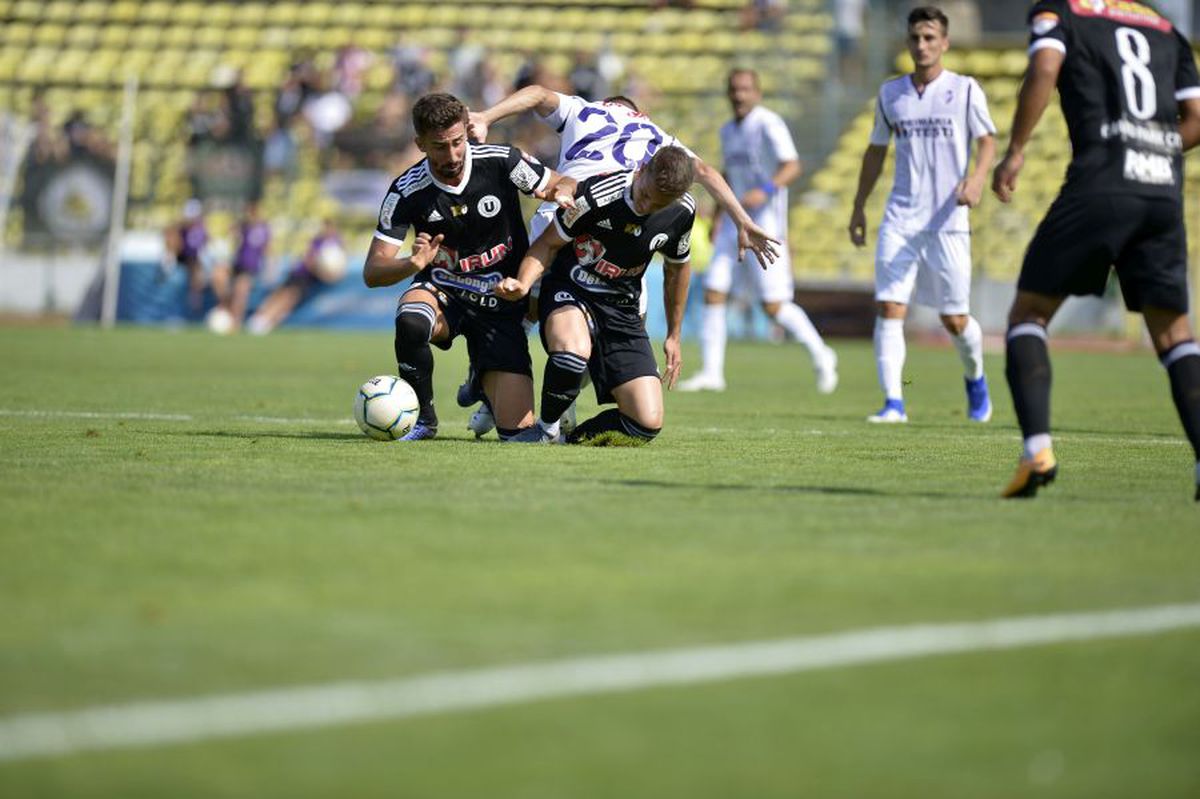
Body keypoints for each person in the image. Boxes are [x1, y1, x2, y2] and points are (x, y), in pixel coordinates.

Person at [462, 83, 784, 436]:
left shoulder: (584, 110)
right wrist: (742, 219)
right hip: (580, 217)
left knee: (526, 313)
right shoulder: (657, 137)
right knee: (573, 330)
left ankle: (493, 390)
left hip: (572, 210)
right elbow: (704, 172)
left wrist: (486, 116)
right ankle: (520, 401)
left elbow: (538, 94)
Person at [992, 0, 1200, 498]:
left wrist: (1016, 150)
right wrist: (1151, 151)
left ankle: (1037, 450)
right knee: (1175, 334)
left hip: (1100, 182)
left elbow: (1045, 66)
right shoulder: (1164, 26)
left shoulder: (1062, 12)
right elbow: (1196, 116)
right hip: (1159, 192)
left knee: (1028, 314)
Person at [363, 92, 576, 441]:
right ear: (420, 144)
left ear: (467, 132)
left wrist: (561, 192)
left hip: (500, 303)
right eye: (439, 146)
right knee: (412, 319)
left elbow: (561, 183)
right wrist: (412, 263)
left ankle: (482, 374)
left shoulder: (501, 162)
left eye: (458, 142)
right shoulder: (406, 191)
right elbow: (373, 271)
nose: (452, 155)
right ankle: (424, 421)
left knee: (519, 436)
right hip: (445, 293)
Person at [847, 7, 996, 424]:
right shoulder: (890, 94)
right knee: (890, 307)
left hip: (949, 219)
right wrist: (859, 205)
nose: (922, 45)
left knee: (954, 318)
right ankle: (894, 403)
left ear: (945, 43)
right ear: (908, 42)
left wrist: (978, 179)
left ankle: (976, 379)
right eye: (916, 37)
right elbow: (875, 151)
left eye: (930, 37)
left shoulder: (965, 90)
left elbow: (987, 142)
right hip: (901, 216)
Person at [495, 147, 695, 445]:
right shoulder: (598, 195)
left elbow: (677, 270)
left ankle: (569, 440)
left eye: (657, 205)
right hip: (571, 289)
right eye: (644, 195)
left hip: (621, 308)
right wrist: (524, 284)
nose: (646, 206)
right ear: (641, 171)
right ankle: (546, 428)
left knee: (646, 424)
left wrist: (674, 335)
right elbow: (547, 244)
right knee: (572, 354)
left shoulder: (683, 212)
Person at [679, 69, 838, 395]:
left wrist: (765, 190)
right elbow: (729, 172)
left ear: (757, 93)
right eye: (734, 89)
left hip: (765, 226)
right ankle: (712, 373)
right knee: (714, 290)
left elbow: (792, 165)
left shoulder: (768, 123)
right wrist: (721, 213)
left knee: (774, 306)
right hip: (735, 223)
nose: (739, 95)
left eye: (746, 89)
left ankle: (822, 354)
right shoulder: (728, 130)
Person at [247, 219, 342, 335]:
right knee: (281, 294)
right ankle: (261, 317)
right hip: (299, 273)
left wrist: (322, 270)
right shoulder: (317, 241)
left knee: (290, 297)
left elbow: (335, 268)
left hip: (307, 279)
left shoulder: (336, 243)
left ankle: (267, 321)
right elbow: (309, 258)